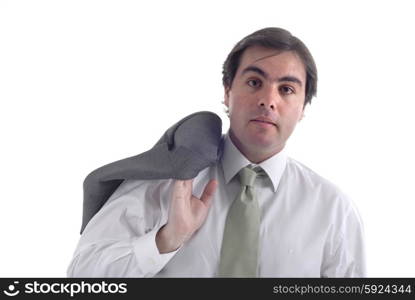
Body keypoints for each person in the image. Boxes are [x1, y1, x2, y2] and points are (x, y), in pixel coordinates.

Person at [67, 27, 366, 277]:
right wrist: (166, 239)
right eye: (254, 82)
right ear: (227, 91)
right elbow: (81, 274)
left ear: (302, 108)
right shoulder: (165, 181)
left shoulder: (335, 212)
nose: (267, 100)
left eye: (286, 89)